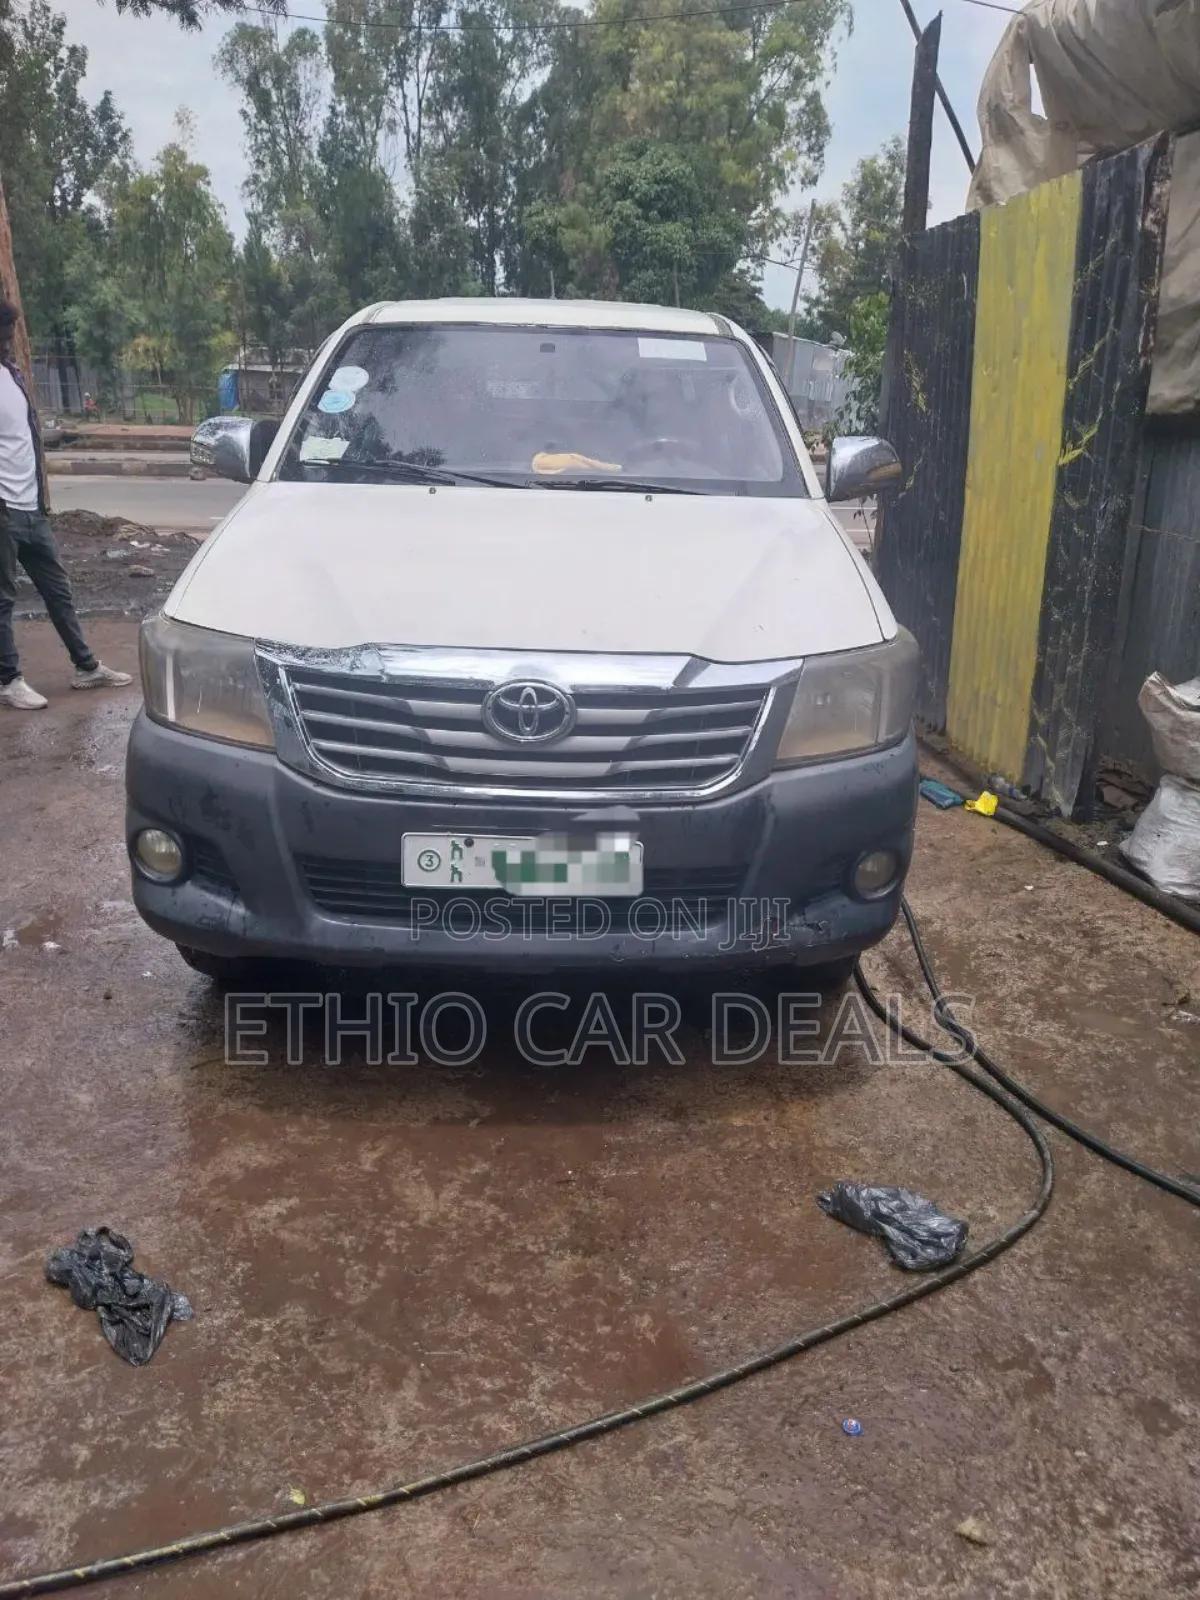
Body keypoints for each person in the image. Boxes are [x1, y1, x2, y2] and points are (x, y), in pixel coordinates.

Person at [0, 301, 130, 709]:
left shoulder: (12, 376)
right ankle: (8, 679)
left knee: (58, 590)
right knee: (3, 600)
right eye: (5, 333)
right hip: (3, 510)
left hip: (31, 509)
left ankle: (86, 667)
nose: (10, 341)